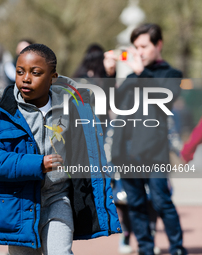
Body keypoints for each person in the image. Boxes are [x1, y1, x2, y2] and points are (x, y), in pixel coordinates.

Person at [0, 43, 122, 255]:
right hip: (19, 204)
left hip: (58, 198)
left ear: (52, 77)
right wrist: (39, 163)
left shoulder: (73, 109)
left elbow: (90, 150)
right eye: (20, 72)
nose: (26, 78)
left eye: (35, 73)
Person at [105, 24, 187, 255]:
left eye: (144, 46)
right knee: (136, 204)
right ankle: (145, 249)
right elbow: (111, 103)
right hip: (125, 150)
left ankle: (177, 248)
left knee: (162, 202)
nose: (138, 51)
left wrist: (142, 73)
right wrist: (110, 74)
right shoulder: (131, 76)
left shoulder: (171, 74)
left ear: (158, 44)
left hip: (154, 151)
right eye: (135, 47)